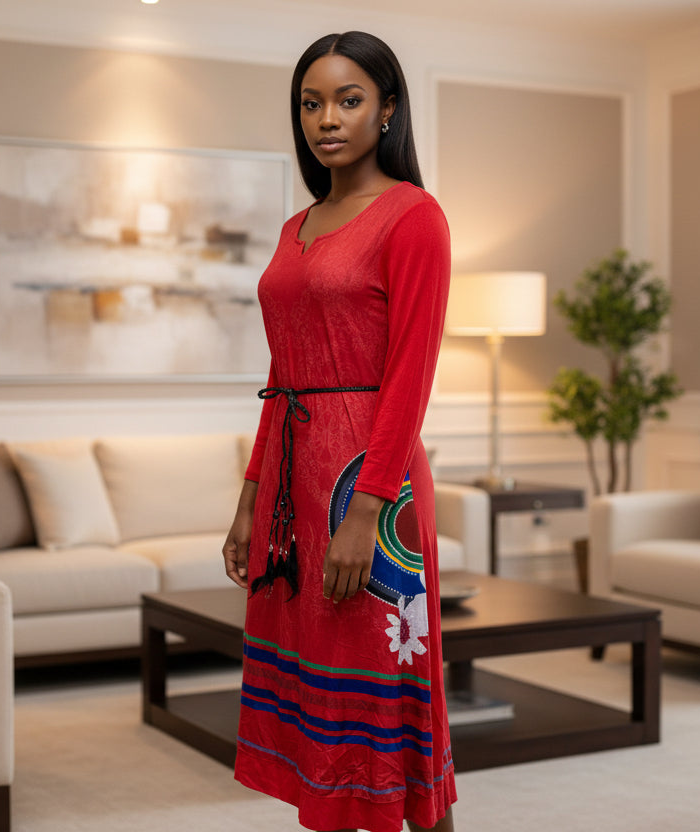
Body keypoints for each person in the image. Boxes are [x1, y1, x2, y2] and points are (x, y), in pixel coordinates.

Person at [222, 30, 457, 832]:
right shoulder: (299, 226)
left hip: (369, 488)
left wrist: (366, 511)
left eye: (349, 100)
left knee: (390, 707)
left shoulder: (415, 217)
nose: (328, 118)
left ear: (387, 109)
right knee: (316, 698)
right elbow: (282, 378)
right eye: (312, 102)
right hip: (294, 480)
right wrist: (252, 497)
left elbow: (411, 379)